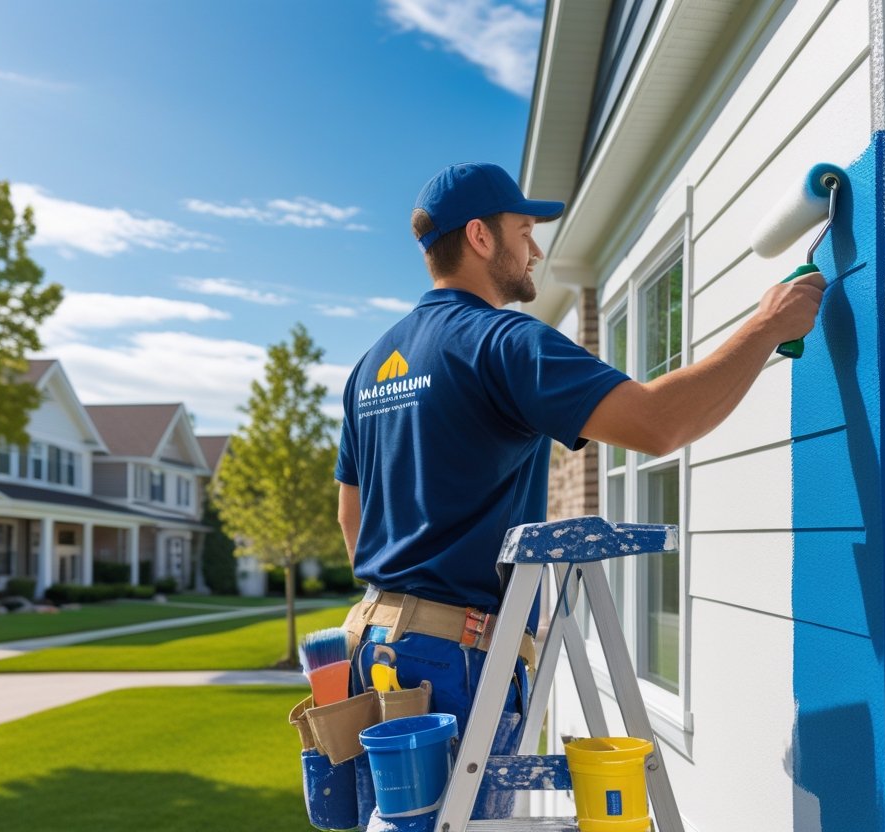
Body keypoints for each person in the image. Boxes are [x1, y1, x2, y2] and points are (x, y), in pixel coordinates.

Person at [334, 161, 824, 818]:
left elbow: (351, 517)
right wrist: (768, 325)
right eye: (524, 229)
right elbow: (656, 423)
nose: (535, 248)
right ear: (480, 237)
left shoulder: (370, 368)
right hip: (453, 657)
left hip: (372, 643)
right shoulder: (502, 341)